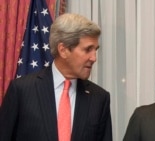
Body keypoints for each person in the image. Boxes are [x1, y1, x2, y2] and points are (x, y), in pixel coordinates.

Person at [0, 13, 112, 141]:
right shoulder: (22, 90)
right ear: (63, 50)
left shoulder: (99, 98)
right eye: (88, 50)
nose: (94, 58)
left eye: (95, 50)